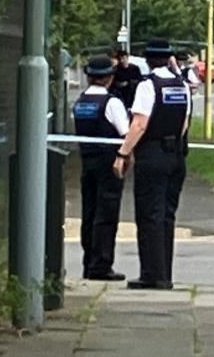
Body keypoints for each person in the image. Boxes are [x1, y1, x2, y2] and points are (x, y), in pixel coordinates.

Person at [112, 40, 190, 290]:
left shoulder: (148, 86)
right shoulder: (182, 86)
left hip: (152, 154)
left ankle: (152, 274)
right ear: (169, 59)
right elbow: (184, 124)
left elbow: (139, 124)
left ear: (147, 60)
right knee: (167, 215)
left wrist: (124, 153)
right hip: (176, 155)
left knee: (149, 215)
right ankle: (164, 272)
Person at [72, 55, 130, 281]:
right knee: (106, 213)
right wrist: (126, 158)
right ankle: (102, 265)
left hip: (87, 162)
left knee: (89, 213)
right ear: (110, 78)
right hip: (109, 163)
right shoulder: (112, 103)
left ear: (88, 76)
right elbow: (125, 133)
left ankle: (89, 262)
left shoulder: (81, 102)